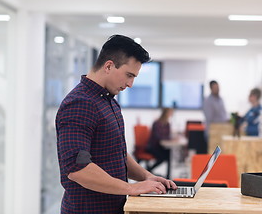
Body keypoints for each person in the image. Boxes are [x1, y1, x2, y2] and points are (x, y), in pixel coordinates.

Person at [55, 35, 177, 214]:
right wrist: (131, 188)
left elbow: (116, 152)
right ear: (109, 66)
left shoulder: (109, 101)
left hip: (114, 206)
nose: (130, 84)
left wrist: (147, 176)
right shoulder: (80, 103)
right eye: (129, 75)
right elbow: (77, 169)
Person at [146, 108, 173, 179]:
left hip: (161, 147)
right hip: (153, 146)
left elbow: (167, 135)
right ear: (165, 113)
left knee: (168, 154)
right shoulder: (156, 123)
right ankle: (149, 170)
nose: (171, 114)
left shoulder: (167, 124)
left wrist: (170, 138)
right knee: (163, 157)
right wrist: (168, 139)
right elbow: (158, 136)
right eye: (170, 113)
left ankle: (168, 176)